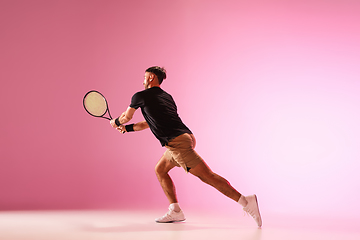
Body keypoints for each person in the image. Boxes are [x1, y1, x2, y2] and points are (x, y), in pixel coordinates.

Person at [110, 66, 262, 227]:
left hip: (177, 143)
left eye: (144, 76)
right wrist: (127, 129)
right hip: (186, 137)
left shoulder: (139, 96)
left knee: (207, 176)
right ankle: (175, 210)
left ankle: (246, 201)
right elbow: (150, 123)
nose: (142, 79)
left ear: (151, 78)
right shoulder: (167, 97)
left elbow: (127, 116)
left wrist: (117, 122)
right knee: (160, 169)